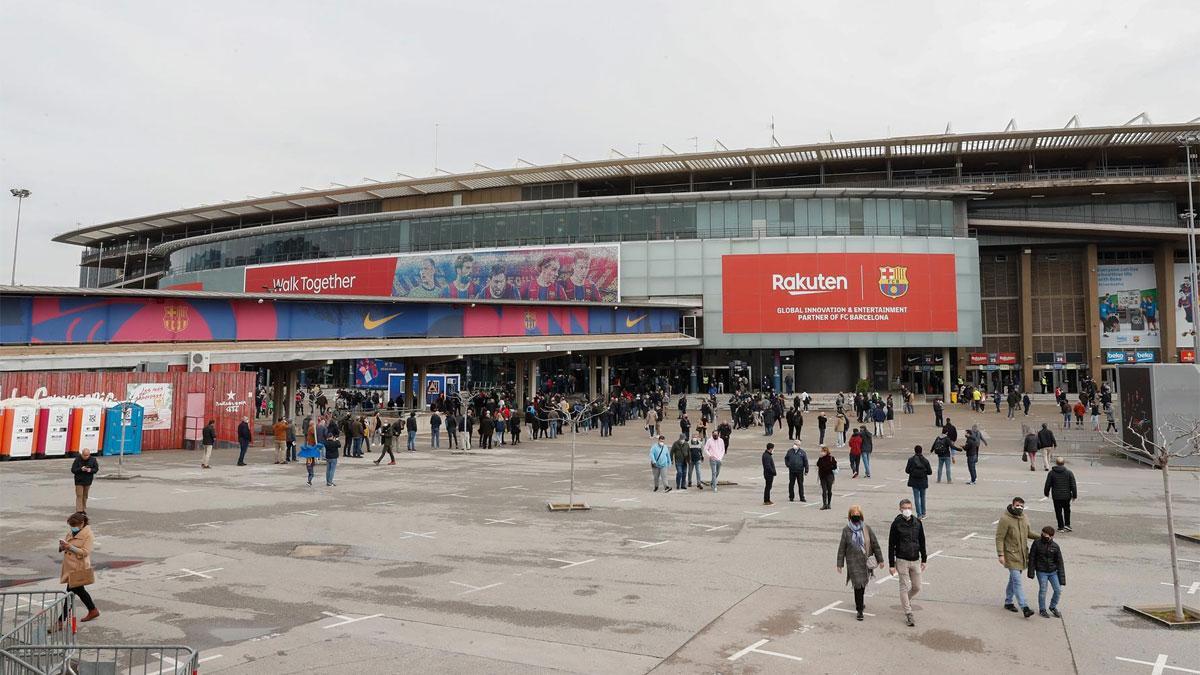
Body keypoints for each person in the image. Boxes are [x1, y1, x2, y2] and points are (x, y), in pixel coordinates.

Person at [836, 505, 885, 621]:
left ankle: (860, 601)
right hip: (853, 562)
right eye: (853, 514)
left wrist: (881, 560)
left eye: (857, 514)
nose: (855, 516)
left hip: (865, 562)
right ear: (850, 516)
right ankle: (859, 610)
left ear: (861, 516)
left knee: (863, 584)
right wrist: (840, 564)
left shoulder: (866, 528)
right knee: (858, 585)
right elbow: (842, 547)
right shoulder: (846, 530)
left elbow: (875, 544)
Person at [995, 497, 1038, 618]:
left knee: (1013, 580)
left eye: (1022, 506)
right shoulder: (1005, 519)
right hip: (1010, 555)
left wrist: (1042, 537)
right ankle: (1024, 607)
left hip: (1022, 555)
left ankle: (1008, 602)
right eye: (1018, 505)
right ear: (1013, 505)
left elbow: (1028, 533)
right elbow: (999, 538)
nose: (1020, 508)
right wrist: (1001, 554)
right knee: (1017, 581)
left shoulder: (1024, 517)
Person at [888, 498, 927, 627]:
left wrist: (924, 559)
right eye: (904, 508)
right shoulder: (896, 524)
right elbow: (891, 545)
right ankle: (908, 613)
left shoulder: (917, 522)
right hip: (902, 559)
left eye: (909, 508)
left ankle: (906, 601)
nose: (907, 510)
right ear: (900, 509)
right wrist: (892, 564)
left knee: (917, 587)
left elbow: (922, 541)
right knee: (903, 586)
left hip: (915, 559)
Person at [58, 511, 100, 625]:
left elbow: (85, 552)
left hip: (78, 568)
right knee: (79, 591)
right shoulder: (72, 532)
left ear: (82, 523)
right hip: (70, 567)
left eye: (74, 526)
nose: (72, 528)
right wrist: (62, 547)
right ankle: (92, 610)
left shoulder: (88, 535)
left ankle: (60, 621)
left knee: (70, 594)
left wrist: (70, 547)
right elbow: (67, 545)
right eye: (71, 526)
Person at [1027, 526, 1066, 618]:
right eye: (1043, 533)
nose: (1043, 536)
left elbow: (1060, 562)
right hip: (1041, 571)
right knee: (1043, 590)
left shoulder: (1055, 546)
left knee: (1058, 590)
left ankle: (1052, 607)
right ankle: (1042, 609)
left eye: (1046, 535)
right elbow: (1032, 558)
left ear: (1051, 536)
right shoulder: (1036, 543)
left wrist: (1062, 578)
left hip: (1053, 572)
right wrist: (1031, 572)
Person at [1044, 457, 1078, 532]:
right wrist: (1074, 495)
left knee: (1058, 511)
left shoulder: (1051, 473)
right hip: (1066, 496)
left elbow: (1047, 484)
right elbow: (1073, 485)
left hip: (1056, 496)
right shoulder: (1069, 472)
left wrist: (1046, 493)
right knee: (1067, 510)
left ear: (1056, 463)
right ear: (1064, 463)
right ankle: (1067, 524)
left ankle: (1061, 526)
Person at [905, 445, 933, 519]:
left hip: (914, 481)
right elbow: (930, 472)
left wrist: (912, 471)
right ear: (921, 451)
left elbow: (907, 470)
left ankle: (919, 514)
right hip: (923, 481)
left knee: (916, 498)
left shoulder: (911, 460)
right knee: (923, 497)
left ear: (915, 451)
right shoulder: (925, 460)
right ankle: (924, 513)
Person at [70, 448, 99, 513]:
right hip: (79, 480)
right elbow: (73, 470)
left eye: (87, 455)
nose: (86, 457)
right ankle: (79, 510)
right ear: (82, 454)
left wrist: (90, 470)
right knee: (79, 495)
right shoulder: (77, 459)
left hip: (88, 480)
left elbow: (96, 469)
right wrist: (81, 469)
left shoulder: (93, 460)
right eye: (84, 455)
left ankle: (83, 508)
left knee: (85, 495)